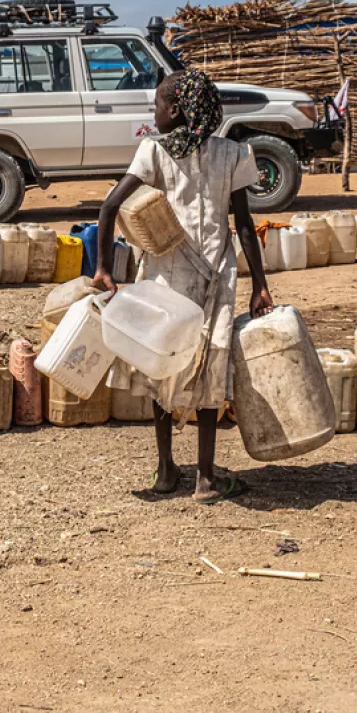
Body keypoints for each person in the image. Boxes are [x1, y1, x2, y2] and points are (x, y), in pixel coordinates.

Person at [92, 69, 274, 504]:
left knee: (161, 363)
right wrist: (260, 285)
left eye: (157, 104)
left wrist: (104, 267)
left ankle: (165, 470)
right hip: (215, 278)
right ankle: (206, 478)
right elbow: (244, 226)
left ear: (175, 109)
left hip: (162, 279)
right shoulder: (233, 154)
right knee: (211, 366)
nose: (153, 112)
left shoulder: (153, 152)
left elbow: (110, 206)